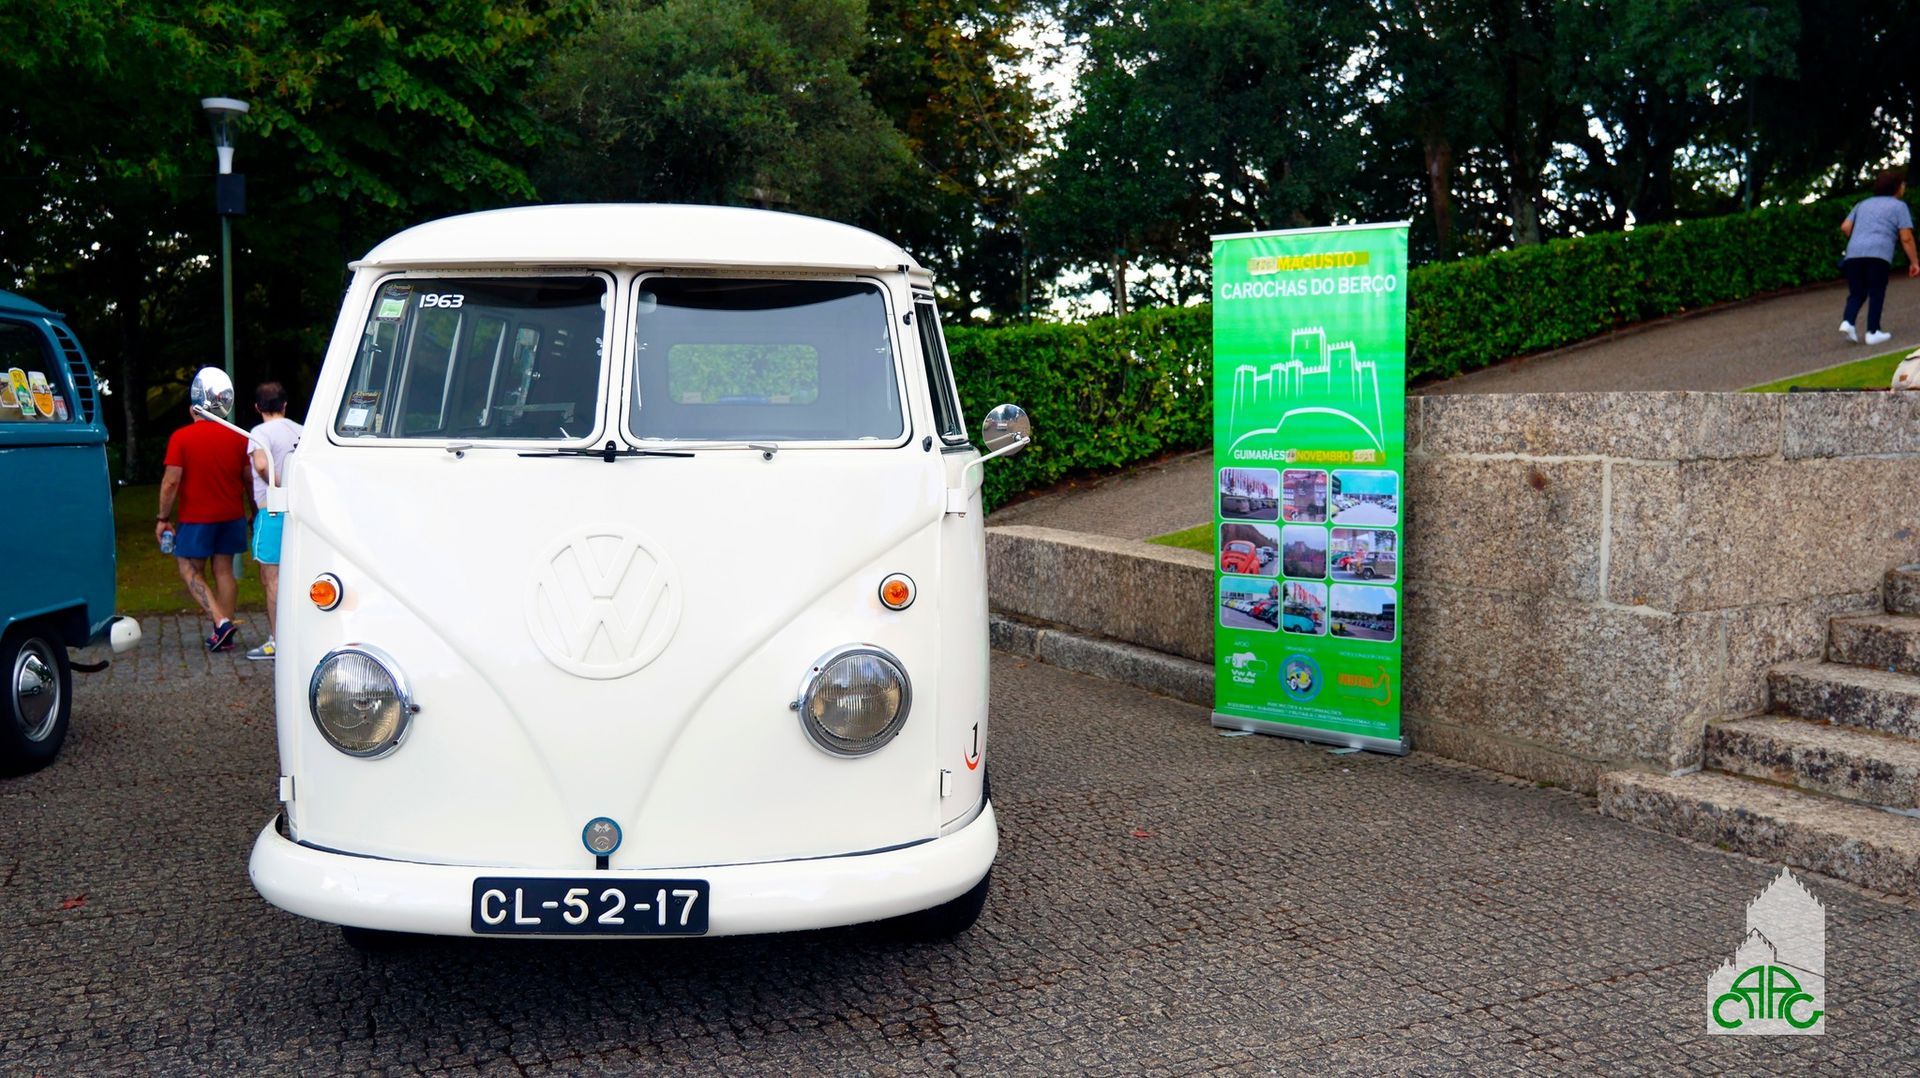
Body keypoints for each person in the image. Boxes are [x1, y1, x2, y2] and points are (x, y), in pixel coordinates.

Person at [156, 394, 253, 651]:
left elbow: (171, 481)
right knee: (224, 570)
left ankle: (221, 624)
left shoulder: (181, 437)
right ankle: (224, 633)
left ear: (193, 410)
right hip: (232, 515)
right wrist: (254, 511)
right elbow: (248, 479)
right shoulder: (238, 438)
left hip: (196, 518)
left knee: (189, 569)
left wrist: (163, 518)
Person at [245, 381, 302, 661]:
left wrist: (280, 487)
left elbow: (260, 465)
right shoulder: (301, 430)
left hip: (273, 509)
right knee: (298, 576)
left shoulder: (259, 433)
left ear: (257, 407)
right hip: (300, 511)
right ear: (285, 405)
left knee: (272, 579)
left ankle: (279, 641)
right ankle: (299, 637)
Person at [1839, 167, 1920, 346]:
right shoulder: (1899, 206)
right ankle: (1873, 331)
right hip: (1879, 253)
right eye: (1902, 184)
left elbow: (1845, 227)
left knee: (1857, 292)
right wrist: (1914, 262)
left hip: (1853, 253)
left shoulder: (1862, 204)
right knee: (1877, 291)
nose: (1904, 187)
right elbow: (1906, 237)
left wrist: (1860, 238)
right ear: (1897, 187)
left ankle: (1848, 322)